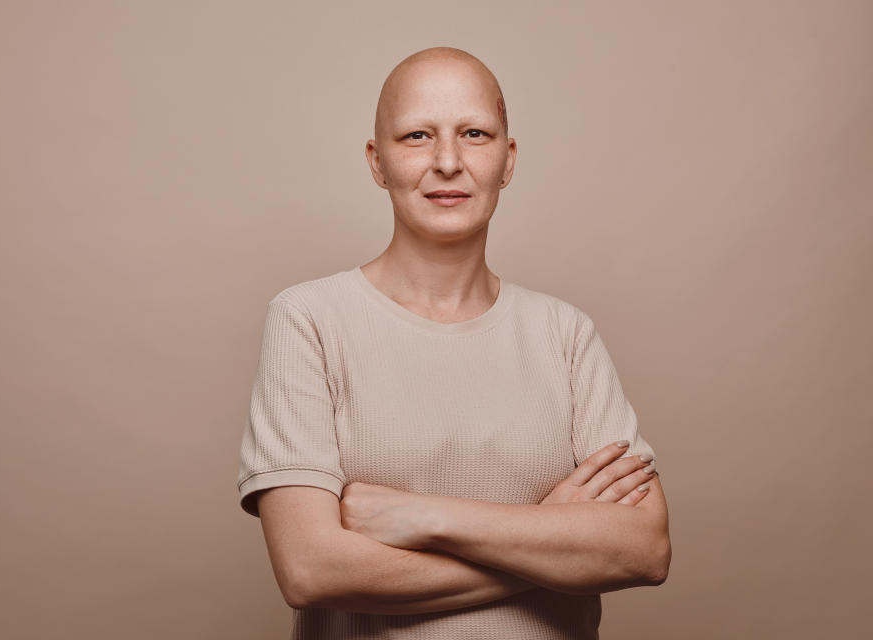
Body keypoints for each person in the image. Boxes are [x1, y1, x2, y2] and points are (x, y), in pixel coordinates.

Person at [237, 46, 671, 639]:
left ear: (507, 159)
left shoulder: (565, 334)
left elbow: (644, 550)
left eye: (475, 133)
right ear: (376, 161)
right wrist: (550, 539)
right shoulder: (309, 320)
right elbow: (312, 570)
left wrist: (426, 518)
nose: (447, 161)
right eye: (416, 136)